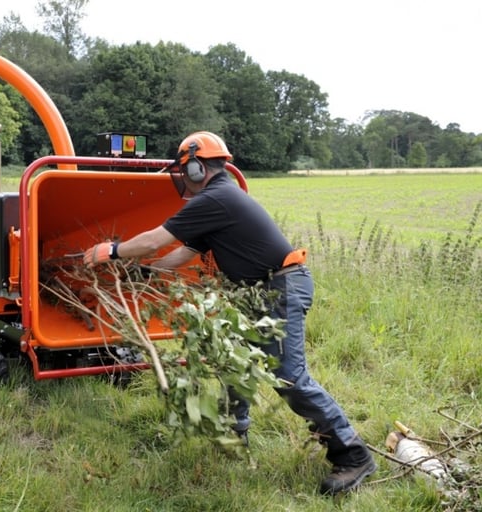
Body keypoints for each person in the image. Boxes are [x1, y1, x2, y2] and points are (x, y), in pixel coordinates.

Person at [83, 131, 376, 496]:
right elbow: (183, 253)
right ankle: (233, 431)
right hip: (262, 290)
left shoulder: (216, 197)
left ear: (194, 166)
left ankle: (353, 454)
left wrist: (111, 251)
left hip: (280, 288)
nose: (182, 178)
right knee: (235, 361)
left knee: (288, 377)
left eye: (184, 168)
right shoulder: (218, 198)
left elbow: (156, 240)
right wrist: (143, 273)